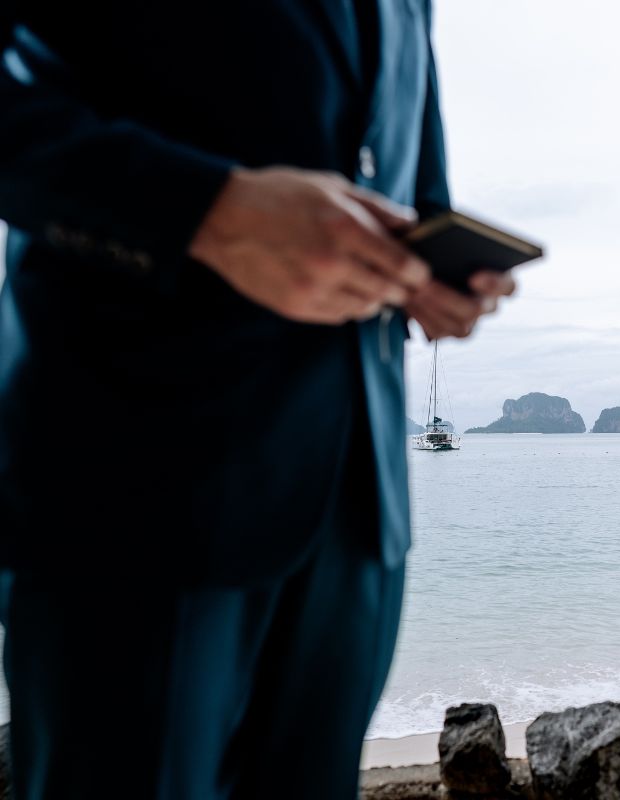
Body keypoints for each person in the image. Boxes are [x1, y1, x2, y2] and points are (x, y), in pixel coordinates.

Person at [0, 1, 513, 797]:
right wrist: (207, 211)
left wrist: (439, 278)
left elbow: (403, 184)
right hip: (133, 482)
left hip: (359, 512)